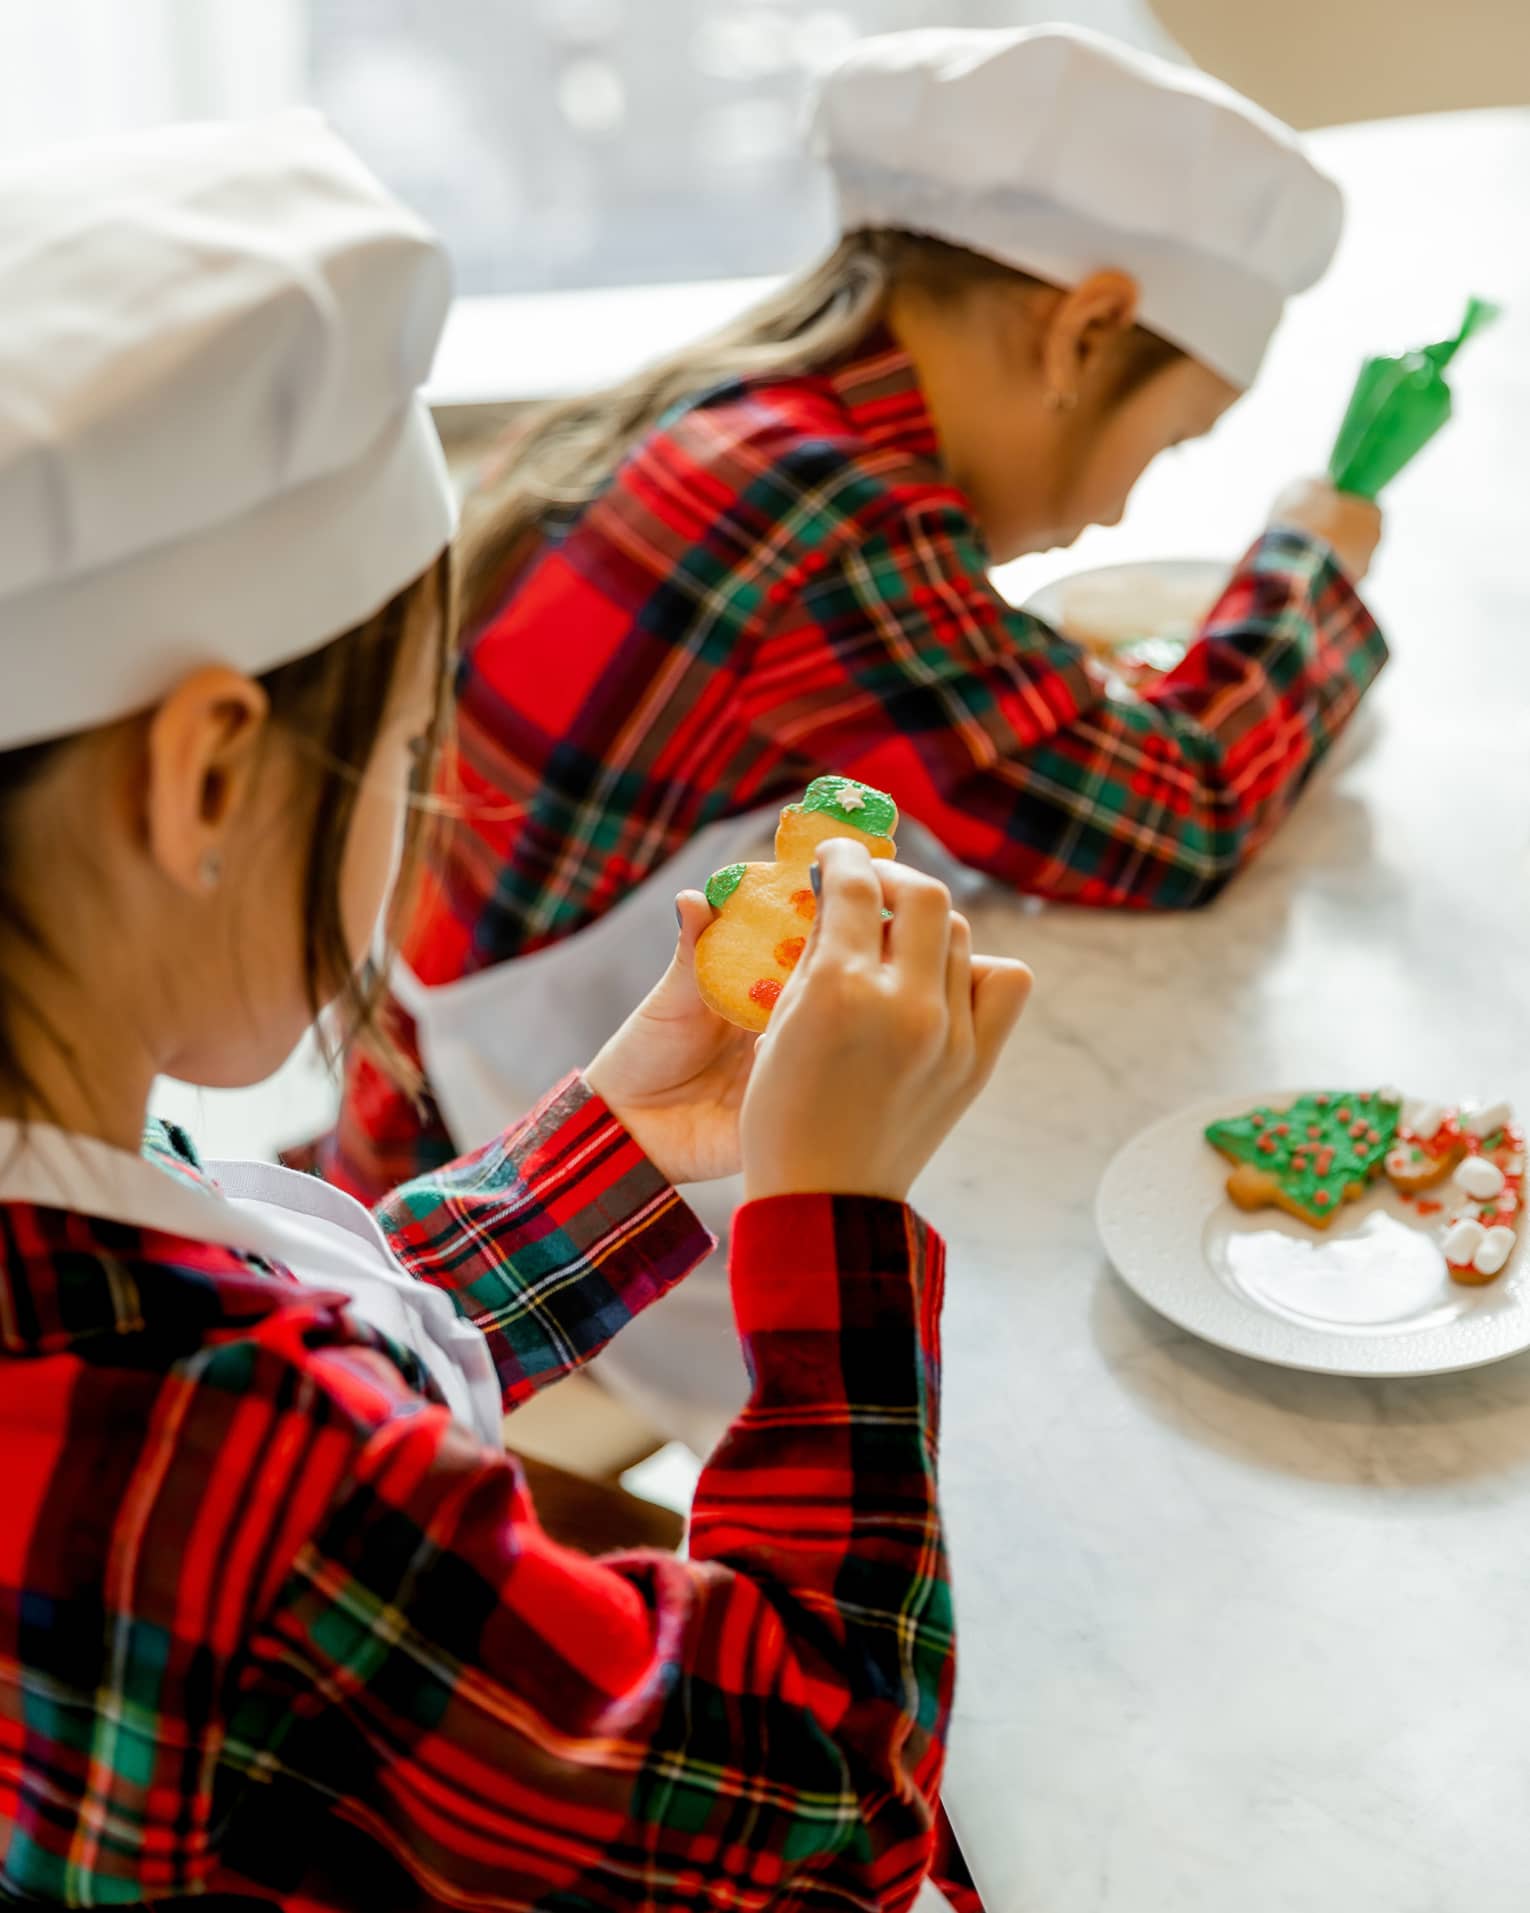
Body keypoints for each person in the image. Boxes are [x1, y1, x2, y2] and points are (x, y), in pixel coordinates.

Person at [0, 115, 1031, 1911]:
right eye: (409, 758)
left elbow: (288, 1320)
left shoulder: (73, 1231)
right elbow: (816, 1813)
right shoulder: (256, 1458)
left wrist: (625, 1142)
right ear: (211, 779)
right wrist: (835, 1221)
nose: (424, 814)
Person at [315, 23, 1388, 1447]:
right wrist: (1306, 562)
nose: (1129, 508)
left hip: (423, 1114)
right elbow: (1173, 816)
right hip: (540, 1191)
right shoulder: (841, 520)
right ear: (1080, 332)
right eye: (1171, 443)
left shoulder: (738, 410)